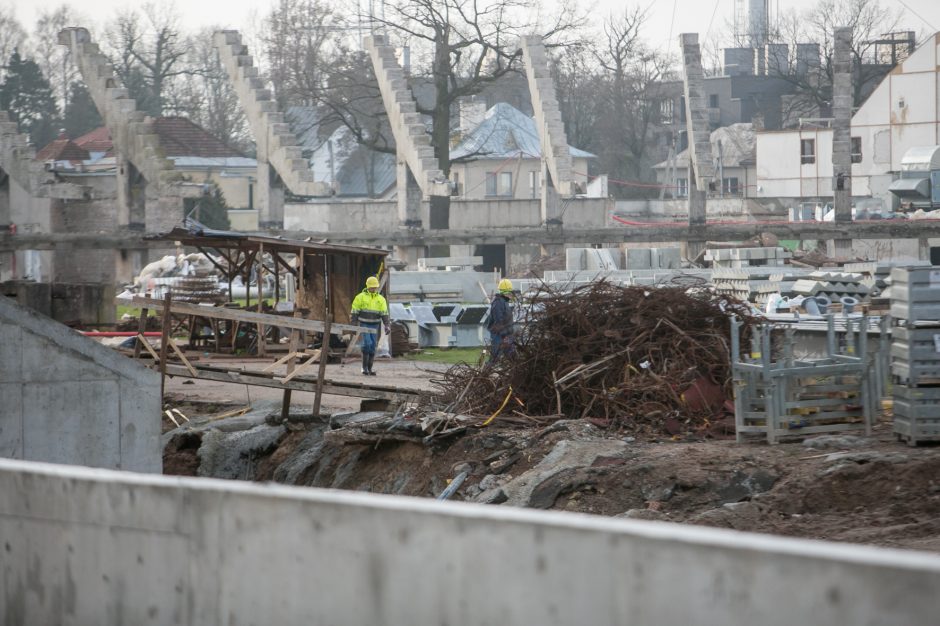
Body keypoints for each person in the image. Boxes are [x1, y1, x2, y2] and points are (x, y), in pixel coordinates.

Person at [350, 276, 390, 375]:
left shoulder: (381, 299)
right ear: (367, 287)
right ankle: (364, 368)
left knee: (372, 346)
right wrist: (353, 325)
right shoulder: (360, 297)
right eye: (371, 287)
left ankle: (369, 368)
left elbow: (384, 313)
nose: (373, 289)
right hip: (364, 324)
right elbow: (354, 312)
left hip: (375, 325)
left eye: (374, 287)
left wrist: (387, 325)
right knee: (366, 344)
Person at [486, 278, 515, 361]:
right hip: (499, 335)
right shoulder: (498, 303)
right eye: (509, 292)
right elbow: (499, 321)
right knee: (495, 356)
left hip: (507, 334)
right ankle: (486, 372)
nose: (511, 294)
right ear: (506, 292)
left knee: (512, 356)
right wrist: (504, 335)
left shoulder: (504, 302)